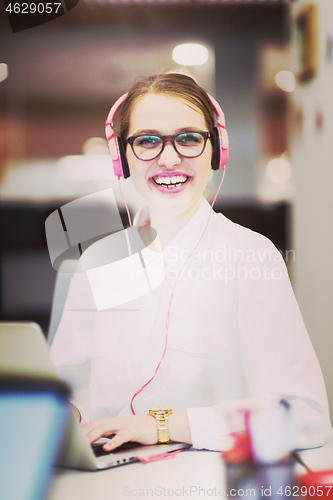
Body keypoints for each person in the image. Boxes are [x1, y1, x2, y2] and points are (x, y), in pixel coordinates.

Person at [50, 72, 331, 455]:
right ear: (122, 157)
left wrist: (162, 425)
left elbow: (304, 417)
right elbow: (65, 388)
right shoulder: (98, 261)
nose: (169, 158)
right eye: (147, 140)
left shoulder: (250, 257)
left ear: (216, 150)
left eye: (188, 138)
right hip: (101, 478)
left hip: (207, 479)